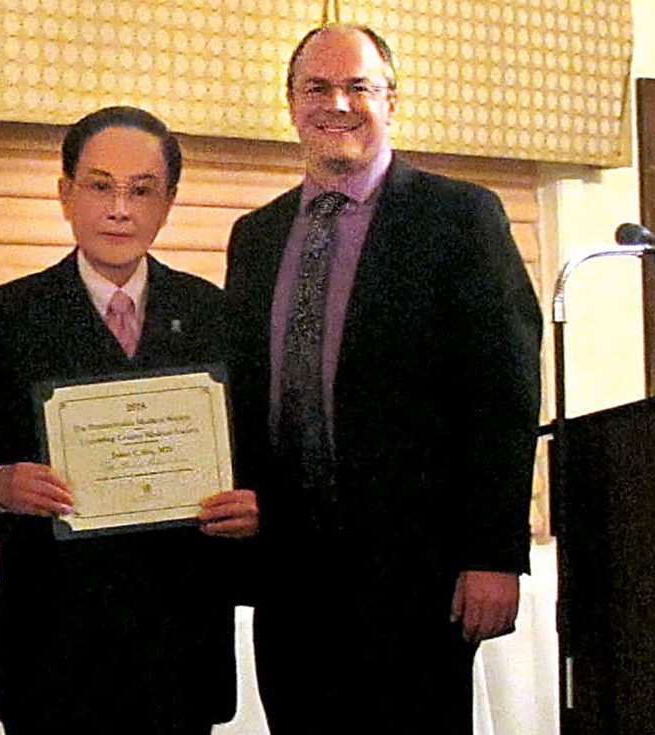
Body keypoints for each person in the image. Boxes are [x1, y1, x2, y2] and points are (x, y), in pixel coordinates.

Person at [223, 24, 542, 734]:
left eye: (357, 87)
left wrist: (493, 555)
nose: (337, 104)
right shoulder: (255, 236)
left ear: (391, 101)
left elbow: (504, 394)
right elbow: (245, 392)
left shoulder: (460, 218)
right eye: (317, 87)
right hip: (291, 583)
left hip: (419, 582)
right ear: (291, 104)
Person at [0, 106, 259, 735]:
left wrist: (254, 509)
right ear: (65, 194)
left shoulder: (219, 317)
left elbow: (259, 458)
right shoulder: (3, 319)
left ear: (169, 203)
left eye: (141, 191)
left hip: (179, 655)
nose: (120, 209)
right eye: (100, 186)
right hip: (51, 656)